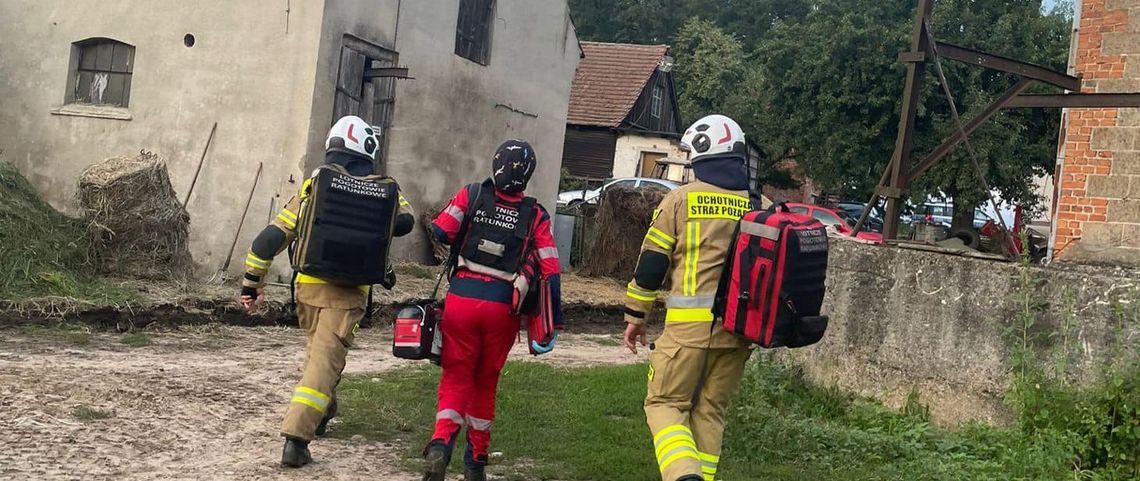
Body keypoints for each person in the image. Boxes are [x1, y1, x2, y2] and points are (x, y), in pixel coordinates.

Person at [239, 115, 416, 468]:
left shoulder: (312, 188)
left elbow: (267, 240)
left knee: (321, 354)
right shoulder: (388, 189)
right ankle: (296, 438)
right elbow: (406, 222)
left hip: (308, 291)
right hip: (347, 295)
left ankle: (324, 411)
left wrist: (251, 284)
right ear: (368, 150)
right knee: (322, 364)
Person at [623, 115, 765, 481]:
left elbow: (652, 265)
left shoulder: (681, 200)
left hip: (688, 332)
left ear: (703, 153)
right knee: (710, 412)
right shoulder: (757, 206)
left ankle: (684, 475)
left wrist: (635, 316)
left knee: (664, 404)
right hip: (737, 332)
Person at [421, 139, 563, 481]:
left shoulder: (471, 194)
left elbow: (441, 230)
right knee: (485, 382)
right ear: (528, 175)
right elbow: (551, 267)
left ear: (495, 164)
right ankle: (476, 462)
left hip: (462, 301)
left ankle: (441, 445)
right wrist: (552, 322)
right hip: (503, 308)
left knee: (456, 376)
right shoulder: (536, 214)